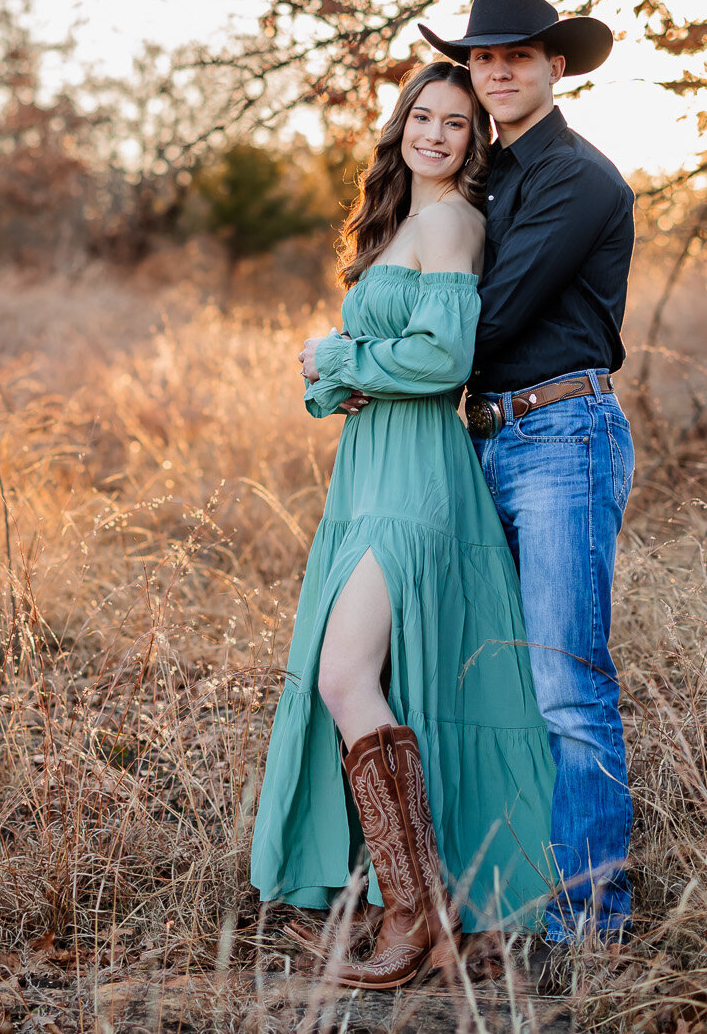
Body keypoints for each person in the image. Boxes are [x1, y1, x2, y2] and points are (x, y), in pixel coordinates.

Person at [250, 60, 558, 989]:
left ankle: (415, 913)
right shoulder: (400, 223)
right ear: (401, 125)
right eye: (421, 116)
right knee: (371, 677)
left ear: (474, 141)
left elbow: (440, 358)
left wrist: (342, 353)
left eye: (456, 123)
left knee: (347, 676)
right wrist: (337, 371)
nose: (434, 133)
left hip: (417, 475)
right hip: (371, 470)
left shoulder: (453, 220)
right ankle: (420, 911)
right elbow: (396, 353)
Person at [416, 0, 636, 944]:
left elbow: (487, 316)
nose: (495, 71)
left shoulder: (576, 179)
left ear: (554, 65)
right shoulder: (484, 174)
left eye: (515, 55)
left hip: (559, 439)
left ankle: (591, 921)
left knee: (564, 683)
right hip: (486, 436)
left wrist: (372, 357)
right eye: (481, 56)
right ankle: (507, 892)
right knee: (493, 681)